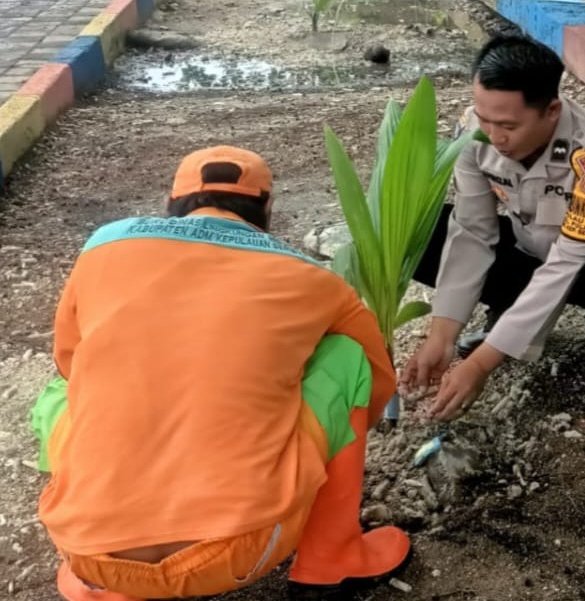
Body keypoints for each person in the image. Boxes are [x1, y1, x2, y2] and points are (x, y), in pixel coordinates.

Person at [31, 146, 410, 601]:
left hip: (88, 557)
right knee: (347, 356)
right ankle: (331, 557)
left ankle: (99, 541)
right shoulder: (312, 277)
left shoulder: (104, 246)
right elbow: (377, 378)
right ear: (268, 209)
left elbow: (68, 359)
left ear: (171, 203)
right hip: (240, 550)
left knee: (64, 388)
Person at [402, 35, 585, 419]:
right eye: (485, 119)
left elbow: (566, 263)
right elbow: (472, 232)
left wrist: (481, 363)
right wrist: (442, 335)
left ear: (551, 111)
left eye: (508, 126)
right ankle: (507, 313)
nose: (493, 137)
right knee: (423, 233)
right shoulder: (474, 133)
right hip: (529, 250)